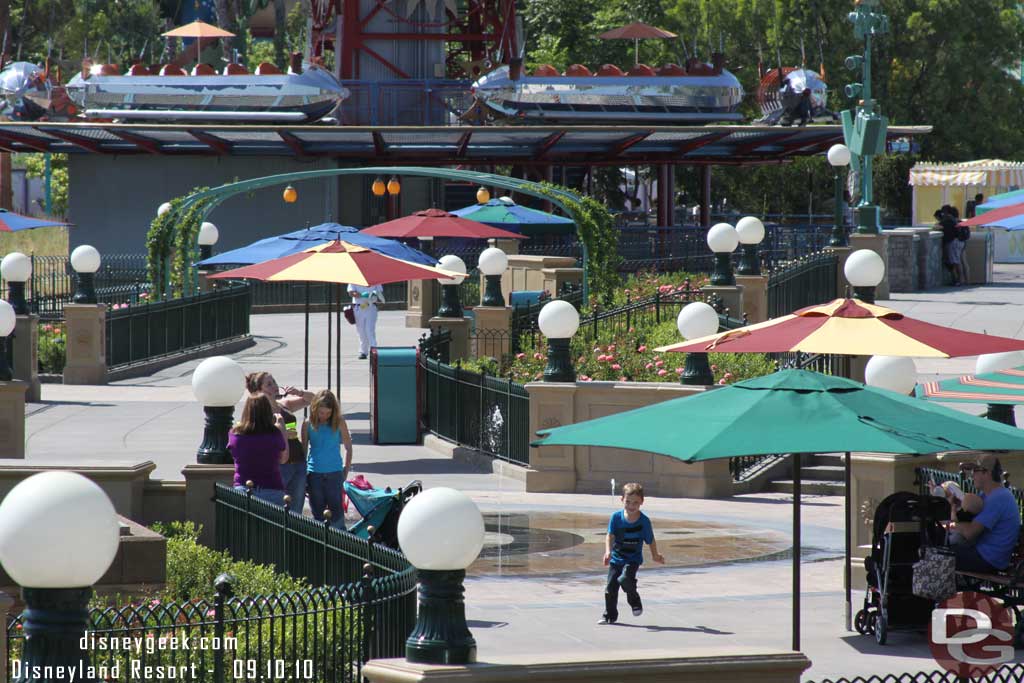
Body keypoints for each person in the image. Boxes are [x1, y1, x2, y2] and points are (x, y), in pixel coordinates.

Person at [246, 371, 314, 513]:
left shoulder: (284, 404)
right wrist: (280, 433)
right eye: (269, 384)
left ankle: (294, 536)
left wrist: (300, 392)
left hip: (298, 461)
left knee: (296, 510)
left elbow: (314, 400)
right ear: (259, 390)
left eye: (274, 382)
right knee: (277, 509)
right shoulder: (257, 411)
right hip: (278, 465)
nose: (274, 386)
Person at [599, 482, 665, 625]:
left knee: (624, 579)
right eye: (628, 502)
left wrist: (655, 555)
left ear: (642, 502)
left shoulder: (644, 521)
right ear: (622, 499)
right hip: (616, 558)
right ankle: (609, 616)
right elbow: (610, 535)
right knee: (610, 588)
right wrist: (608, 551)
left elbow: (650, 540)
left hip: (632, 559)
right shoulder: (616, 517)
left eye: (635, 502)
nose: (631, 506)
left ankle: (635, 601)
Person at [948, 454, 1021, 573]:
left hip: (988, 560)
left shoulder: (998, 497)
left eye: (975, 470)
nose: (972, 475)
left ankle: (935, 591)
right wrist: (954, 506)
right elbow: (965, 525)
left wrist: (952, 525)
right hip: (982, 553)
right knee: (939, 549)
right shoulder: (987, 495)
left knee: (938, 553)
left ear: (987, 473)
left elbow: (969, 533)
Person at [301, 389, 353, 528]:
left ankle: (339, 544)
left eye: (328, 413)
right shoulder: (307, 424)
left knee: (337, 514)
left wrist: (345, 471)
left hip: (335, 472)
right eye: (321, 412)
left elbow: (348, 447)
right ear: (315, 409)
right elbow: (304, 451)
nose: (324, 416)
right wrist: (303, 475)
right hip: (314, 473)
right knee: (318, 513)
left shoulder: (339, 422)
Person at [228, 393, 288, 506]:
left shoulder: (235, 434)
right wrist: (281, 427)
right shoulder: (274, 433)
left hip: (243, 487)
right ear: (267, 411)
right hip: (272, 488)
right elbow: (284, 459)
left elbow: (234, 455)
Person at [347, 283, 385, 360]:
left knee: (370, 330)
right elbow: (351, 292)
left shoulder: (375, 278)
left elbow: (379, 292)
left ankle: (374, 350)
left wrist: (373, 294)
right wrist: (361, 295)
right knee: (361, 331)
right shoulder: (355, 279)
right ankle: (363, 352)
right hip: (359, 307)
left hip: (370, 306)